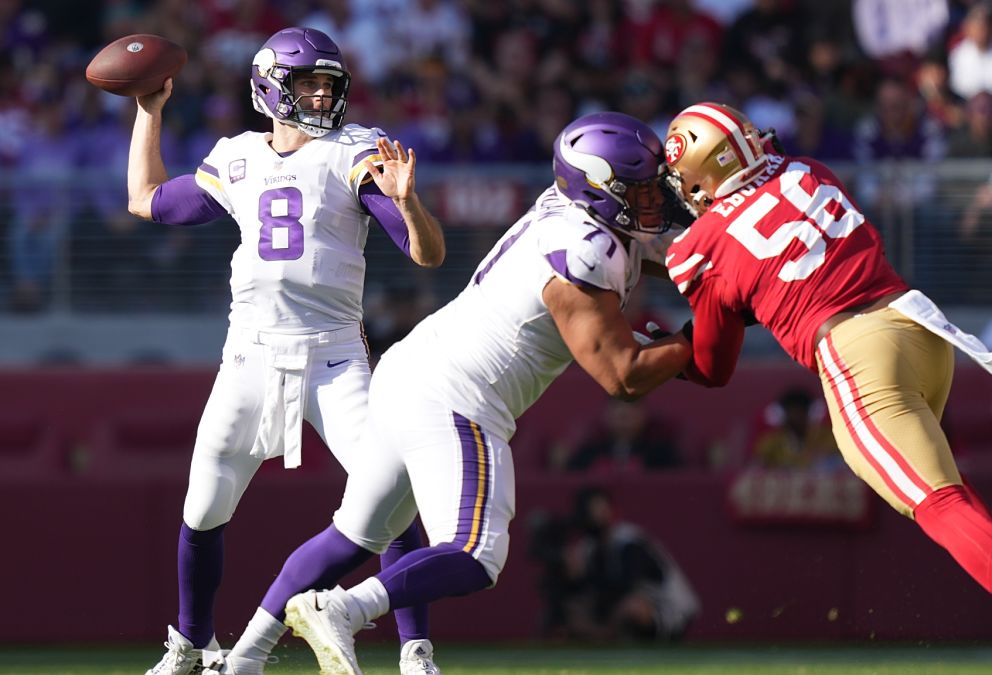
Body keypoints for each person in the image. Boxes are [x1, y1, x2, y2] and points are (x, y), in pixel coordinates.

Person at [212, 111, 694, 675]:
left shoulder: (580, 218)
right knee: (476, 554)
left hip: (413, 370)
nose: (653, 197)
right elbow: (623, 376)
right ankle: (344, 608)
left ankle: (241, 661)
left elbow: (677, 260)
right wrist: (695, 339)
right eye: (638, 188)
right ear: (599, 191)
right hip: (458, 396)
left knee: (352, 535)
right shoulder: (583, 251)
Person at [661, 101, 992, 674]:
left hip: (856, 353)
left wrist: (663, 348)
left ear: (703, 173)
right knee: (940, 484)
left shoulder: (702, 243)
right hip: (920, 327)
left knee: (935, 503)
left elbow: (714, 364)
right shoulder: (807, 171)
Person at [128, 27, 447, 675]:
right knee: (203, 506)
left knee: (390, 494)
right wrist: (147, 113)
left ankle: (415, 650)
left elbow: (427, 254)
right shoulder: (237, 156)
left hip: (334, 358)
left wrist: (409, 203)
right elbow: (147, 201)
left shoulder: (353, 151)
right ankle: (191, 645)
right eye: (309, 81)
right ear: (272, 87)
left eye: (330, 82)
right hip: (249, 357)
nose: (323, 93)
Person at [561, 486, 700, 642]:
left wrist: (586, 576)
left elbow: (625, 586)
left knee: (631, 607)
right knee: (575, 608)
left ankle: (611, 639)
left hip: (668, 609)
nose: (596, 515)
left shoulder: (629, 541)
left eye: (600, 508)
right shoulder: (589, 548)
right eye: (590, 510)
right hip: (625, 606)